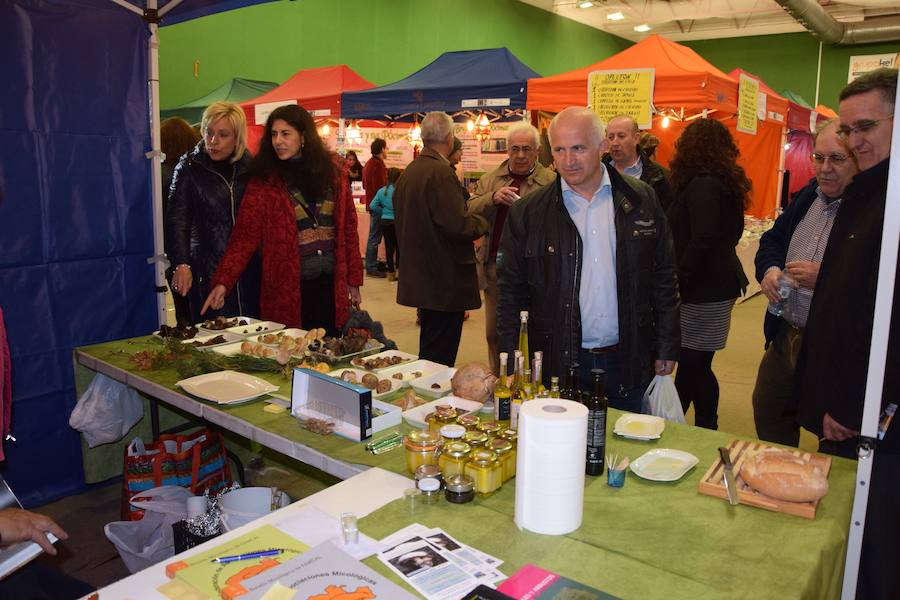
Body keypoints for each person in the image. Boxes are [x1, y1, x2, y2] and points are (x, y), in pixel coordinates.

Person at [793, 68, 898, 600]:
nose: (855, 142)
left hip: (871, 417)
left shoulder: (892, 202)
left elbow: (885, 323)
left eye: (867, 128)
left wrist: (858, 406)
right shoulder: (868, 193)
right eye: (848, 130)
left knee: (870, 540)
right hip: (843, 405)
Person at [497, 107, 679, 409]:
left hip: (628, 359)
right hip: (557, 363)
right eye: (559, 150)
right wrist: (511, 360)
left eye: (578, 148)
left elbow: (664, 276)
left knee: (625, 449)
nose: (568, 161)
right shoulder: (528, 213)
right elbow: (510, 293)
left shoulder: (641, 199)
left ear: (602, 145)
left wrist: (667, 345)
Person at [202, 104, 363, 336]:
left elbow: (348, 229)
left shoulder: (334, 174)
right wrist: (223, 282)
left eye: (286, 134)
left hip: (330, 286)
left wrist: (353, 280)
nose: (278, 141)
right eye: (274, 134)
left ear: (303, 136)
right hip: (287, 287)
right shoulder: (265, 181)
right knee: (291, 351)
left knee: (329, 352)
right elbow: (245, 236)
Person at [751, 120, 857, 446]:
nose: (825, 169)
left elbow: (878, 285)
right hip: (786, 335)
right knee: (769, 412)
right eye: (818, 157)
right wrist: (769, 270)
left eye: (836, 159)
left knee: (834, 435)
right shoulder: (809, 195)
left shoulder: (869, 211)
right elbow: (772, 240)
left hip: (833, 348)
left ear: (859, 159)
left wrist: (823, 277)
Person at [666, 118, 750, 430]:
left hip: (702, 291)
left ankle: (686, 424)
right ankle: (698, 424)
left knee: (694, 364)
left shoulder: (703, 184)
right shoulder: (722, 183)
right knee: (696, 364)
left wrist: (678, 278)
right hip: (713, 287)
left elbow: (702, 238)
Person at [394, 111, 488, 367]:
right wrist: (484, 220)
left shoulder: (411, 171)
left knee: (430, 351)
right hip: (444, 279)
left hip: (423, 276)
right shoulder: (441, 173)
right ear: (449, 137)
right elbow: (458, 225)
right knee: (439, 359)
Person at [467, 122, 555, 373]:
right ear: (507, 150)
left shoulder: (550, 181)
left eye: (527, 149)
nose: (520, 155)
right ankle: (500, 380)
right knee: (495, 332)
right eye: (515, 149)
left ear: (537, 151)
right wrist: (492, 198)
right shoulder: (491, 179)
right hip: (497, 267)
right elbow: (469, 209)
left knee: (534, 332)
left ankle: (533, 381)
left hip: (538, 270)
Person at [165, 101, 261, 324]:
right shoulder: (189, 166)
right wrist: (181, 263)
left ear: (237, 137)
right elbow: (177, 219)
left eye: (223, 134)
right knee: (211, 333)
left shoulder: (251, 166)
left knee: (250, 330)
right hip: (205, 267)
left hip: (248, 267)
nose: (213, 141)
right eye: (209, 132)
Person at [160, 117, 201, 326]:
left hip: (173, 252)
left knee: (183, 310)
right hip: (200, 251)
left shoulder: (159, 174)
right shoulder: (198, 169)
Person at [603, 115, 675, 211]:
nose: (615, 143)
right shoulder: (597, 173)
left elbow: (666, 218)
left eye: (621, 136)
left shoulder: (660, 176)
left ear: (636, 138)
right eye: (610, 137)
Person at [369, 168, 401, 282]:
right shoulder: (400, 191)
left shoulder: (382, 191)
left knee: (389, 247)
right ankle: (399, 272)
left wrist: (383, 211)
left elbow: (372, 206)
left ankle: (391, 274)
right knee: (399, 247)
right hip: (398, 222)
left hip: (385, 222)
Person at [363, 138, 388, 278]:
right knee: (375, 236)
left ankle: (371, 264)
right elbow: (381, 188)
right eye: (386, 148)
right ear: (382, 149)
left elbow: (364, 185)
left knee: (374, 235)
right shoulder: (377, 165)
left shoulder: (369, 163)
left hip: (372, 204)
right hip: (377, 206)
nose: (387, 151)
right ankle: (371, 266)